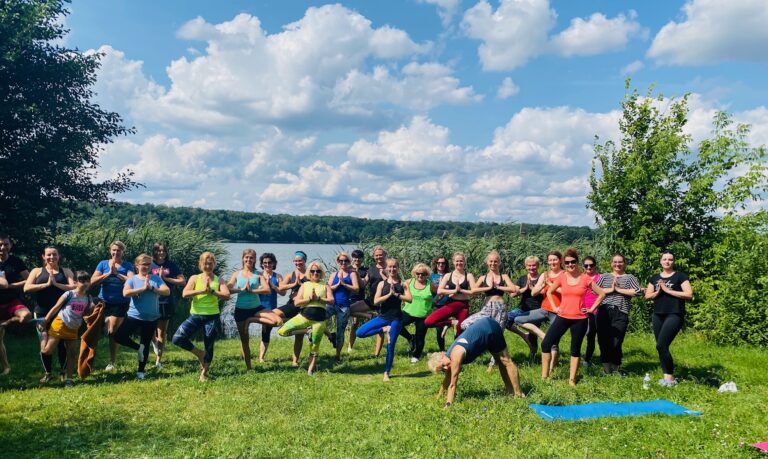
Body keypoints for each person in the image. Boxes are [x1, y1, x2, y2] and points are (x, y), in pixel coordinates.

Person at [540, 248, 606, 386]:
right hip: (562, 316)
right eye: (567, 262)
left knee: (575, 349)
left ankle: (572, 380)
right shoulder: (562, 277)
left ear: (577, 262)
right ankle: (544, 377)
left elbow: (601, 294)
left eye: (573, 262)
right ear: (564, 263)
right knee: (546, 343)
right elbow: (550, 292)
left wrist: (591, 309)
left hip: (580, 319)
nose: (570, 265)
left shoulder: (585, 278)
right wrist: (555, 307)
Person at [427, 317, 524, 407]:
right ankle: (509, 391)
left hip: (490, 328)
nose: (445, 368)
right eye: (442, 370)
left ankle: (519, 394)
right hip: (484, 330)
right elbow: (446, 381)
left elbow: (452, 384)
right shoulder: (448, 359)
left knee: (506, 360)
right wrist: (438, 397)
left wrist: (448, 404)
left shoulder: (455, 356)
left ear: (443, 355)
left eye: (443, 365)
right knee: (499, 361)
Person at [174, 252, 230, 382]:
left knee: (209, 344)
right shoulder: (195, 278)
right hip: (196, 315)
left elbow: (227, 295)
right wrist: (201, 291)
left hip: (212, 316)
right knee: (177, 338)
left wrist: (212, 291)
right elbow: (185, 293)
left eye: (210, 263)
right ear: (201, 264)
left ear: (214, 264)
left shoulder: (218, 280)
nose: (208, 266)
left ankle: (204, 373)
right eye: (205, 263)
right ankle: (200, 353)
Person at [355, 258, 412, 381]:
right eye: (390, 267)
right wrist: (388, 295)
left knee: (390, 346)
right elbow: (376, 301)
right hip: (383, 317)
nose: (392, 269)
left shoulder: (403, 284)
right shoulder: (382, 284)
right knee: (359, 333)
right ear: (387, 268)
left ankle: (386, 372)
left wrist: (396, 294)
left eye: (394, 267)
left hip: (396, 319)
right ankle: (384, 329)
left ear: (398, 268)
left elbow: (409, 299)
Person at [24, 245, 75, 379]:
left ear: (59, 256)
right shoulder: (36, 271)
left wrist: (56, 284)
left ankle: (63, 372)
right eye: (48, 255)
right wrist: (46, 284)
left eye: (54, 254)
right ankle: (48, 373)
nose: (51, 257)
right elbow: (26, 288)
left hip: (63, 312)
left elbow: (74, 286)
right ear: (43, 256)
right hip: (41, 312)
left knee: (62, 343)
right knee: (45, 343)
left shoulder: (66, 271)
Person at [116, 254, 170, 379]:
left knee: (145, 342)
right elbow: (125, 293)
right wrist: (142, 289)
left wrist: (151, 288)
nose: (146, 266)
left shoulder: (156, 279)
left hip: (151, 318)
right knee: (119, 336)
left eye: (148, 264)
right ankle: (137, 347)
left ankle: (141, 371)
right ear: (137, 265)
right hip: (134, 316)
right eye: (143, 264)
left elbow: (167, 291)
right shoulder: (132, 279)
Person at [36, 271, 93, 386]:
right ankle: (44, 335)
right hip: (60, 324)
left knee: (71, 353)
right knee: (46, 351)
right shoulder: (69, 294)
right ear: (76, 282)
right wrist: (45, 321)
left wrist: (92, 310)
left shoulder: (88, 298)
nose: (85, 283)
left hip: (74, 327)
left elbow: (85, 313)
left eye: (87, 280)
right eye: (82, 281)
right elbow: (56, 307)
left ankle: (69, 379)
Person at [645, 251, 692, 387]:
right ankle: (666, 378)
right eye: (664, 259)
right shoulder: (654, 278)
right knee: (660, 347)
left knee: (661, 345)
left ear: (673, 261)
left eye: (670, 259)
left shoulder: (680, 276)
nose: (667, 261)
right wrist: (658, 291)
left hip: (674, 314)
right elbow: (647, 296)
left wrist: (668, 290)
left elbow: (689, 294)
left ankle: (670, 379)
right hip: (658, 315)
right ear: (660, 261)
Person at [277, 261, 333, 375]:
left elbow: (331, 300)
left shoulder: (325, 286)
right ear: (309, 273)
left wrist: (318, 299)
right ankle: (307, 331)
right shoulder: (304, 285)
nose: (315, 273)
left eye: (318, 271)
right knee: (282, 331)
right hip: (304, 316)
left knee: (314, 347)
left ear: (321, 272)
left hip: (319, 320)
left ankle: (310, 371)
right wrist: (308, 299)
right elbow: (297, 302)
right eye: (313, 271)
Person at [90, 240, 135, 371]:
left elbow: (133, 281)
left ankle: (112, 361)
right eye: (114, 250)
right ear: (110, 251)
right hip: (102, 301)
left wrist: (117, 274)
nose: (116, 252)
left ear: (123, 252)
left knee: (112, 331)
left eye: (119, 250)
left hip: (120, 303)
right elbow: (92, 281)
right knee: (95, 331)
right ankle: (90, 361)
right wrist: (108, 274)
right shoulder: (103, 264)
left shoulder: (127, 265)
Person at [596, 254, 642, 375]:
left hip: (621, 311)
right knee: (603, 340)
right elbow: (594, 290)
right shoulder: (604, 276)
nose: (617, 264)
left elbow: (637, 291)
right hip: (604, 311)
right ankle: (606, 370)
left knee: (616, 341)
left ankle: (616, 369)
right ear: (611, 263)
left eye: (620, 262)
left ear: (624, 263)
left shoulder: (630, 277)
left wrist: (619, 290)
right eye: (615, 262)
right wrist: (611, 290)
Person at [226, 249, 270, 370]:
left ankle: (251, 319)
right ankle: (249, 367)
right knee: (245, 340)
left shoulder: (259, 274)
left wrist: (252, 290)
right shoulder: (236, 274)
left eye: (251, 258)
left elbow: (267, 290)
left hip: (256, 308)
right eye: (247, 257)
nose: (249, 260)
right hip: (241, 309)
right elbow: (228, 289)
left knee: (276, 321)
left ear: (255, 259)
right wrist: (241, 290)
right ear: (243, 258)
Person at [150, 242, 185, 369]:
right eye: (158, 251)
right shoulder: (150, 264)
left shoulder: (171, 265)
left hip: (166, 301)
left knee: (162, 332)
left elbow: (182, 281)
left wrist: (166, 279)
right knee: (149, 330)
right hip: (151, 301)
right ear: (154, 252)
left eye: (163, 251)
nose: (161, 253)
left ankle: (158, 360)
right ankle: (153, 341)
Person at [0, 235, 32, 375]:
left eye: (6, 244)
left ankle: (6, 322)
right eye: (0, 244)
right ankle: (6, 367)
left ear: (10, 246)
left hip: (12, 301)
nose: (2, 248)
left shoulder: (16, 261)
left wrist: (10, 286)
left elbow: (29, 280)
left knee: (27, 316)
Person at [463, 250, 517, 330]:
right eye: (491, 261)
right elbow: (473, 290)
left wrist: (498, 287)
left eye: (495, 261)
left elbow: (513, 289)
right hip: (487, 306)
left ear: (499, 263)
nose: (493, 263)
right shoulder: (483, 278)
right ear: (487, 262)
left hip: (500, 307)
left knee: (497, 332)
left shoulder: (504, 276)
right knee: (466, 324)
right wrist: (488, 287)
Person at [426, 252, 476, 337]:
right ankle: (452, 322)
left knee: (460, 332)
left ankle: (455, 349)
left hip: (463, 306)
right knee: (429, 321)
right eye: (457, 261)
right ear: (453, 262)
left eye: (461, 261)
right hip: (451, 304)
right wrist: (454, 291)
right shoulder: (448, 275)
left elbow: (474, 292)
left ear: (464, 262)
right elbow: (439, 290)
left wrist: (461, 290)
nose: (459, 263)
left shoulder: (469, 275)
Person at [505, 256, 546, 362]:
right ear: (526, 266)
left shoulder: (542, 277)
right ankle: (523, 335)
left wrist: (533, 289)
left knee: (533, 336)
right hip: (523, 308)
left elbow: (546, 292)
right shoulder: (522, 279)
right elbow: (512, 294)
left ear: (538, 266)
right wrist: (525, 289)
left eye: (534, 265)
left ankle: (532, 357)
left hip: (537, 310)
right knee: (506, 320)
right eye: (529, 265)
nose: (531, 267)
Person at [349, 246, 387, 356]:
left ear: (384, 255)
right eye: (376, 255)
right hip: (371, 299)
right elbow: (363, 284)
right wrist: (355, 273)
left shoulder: (389, 267)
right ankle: (369, 316)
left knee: (380, 328)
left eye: (381, 254)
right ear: (373, 257)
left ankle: (376, 354)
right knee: (349, 310)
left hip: (384, 301)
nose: (379, 257)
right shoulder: (371, 269)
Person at [326, 251, 359, 362]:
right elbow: (328, 288)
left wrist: (344, 284)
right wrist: (338, 284)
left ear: (349, 262)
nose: (343, 263)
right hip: (331, 304)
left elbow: (356, 288)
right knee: (319, 319)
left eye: (346, 261)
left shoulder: (352, 273)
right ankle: (331, 336)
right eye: (341, 261)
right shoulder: (333, 274)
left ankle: (338, 355)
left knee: (340, 331)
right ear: (338, 262)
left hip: (344, 307)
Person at [399, 263, 432, 363]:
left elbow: (440, 294)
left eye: (423, 274)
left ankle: (416, 356)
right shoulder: (409, 282)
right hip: (408, 312)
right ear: (414, 273)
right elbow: (395, 287)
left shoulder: (431, 285)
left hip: (423, 315)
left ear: (426, 274)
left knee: (420, 337)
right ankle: (410, 337)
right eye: (418, 273)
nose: (420, 276)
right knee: (396, 324)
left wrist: (435, 303)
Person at [254, 252, 283, 362]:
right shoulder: (258, 276)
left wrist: (273, 286)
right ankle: (259, 356)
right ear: (261, 264)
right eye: (264, 262)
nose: (267, 264)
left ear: (274, 263)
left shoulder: (278, 276)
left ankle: (261, 357)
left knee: (266, 331)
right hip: (258, 307)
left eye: (269, 262)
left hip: (271, 308)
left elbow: (283, 293)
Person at [346, 249, 368, 353]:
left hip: (359, 298)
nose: (357, 259)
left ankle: (350, 346)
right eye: (354, 257)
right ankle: (368, 315)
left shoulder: (365, 270)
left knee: (355, 323)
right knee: (344, 319)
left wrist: (356, 273)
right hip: (347, 297)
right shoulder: (347, 268)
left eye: (359, 257)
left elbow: (364, 283)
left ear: (362, 259)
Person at [581, 256, 600, 367]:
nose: (589, 267)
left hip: (597, 311)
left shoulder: (600, 278)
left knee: (593, 336)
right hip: (582, 310)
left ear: (595, 265)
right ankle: (580, 358)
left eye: (591, 265)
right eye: (586, 265)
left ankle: (588, 359)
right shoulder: (581, 278)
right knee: (584, 335)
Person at [429, 255, 449, 351]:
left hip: (448, 304)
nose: (441, 265)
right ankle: (442, 350)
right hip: (436, 305)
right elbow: (431, 290)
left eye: (443, 263)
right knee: (439, 328)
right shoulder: (432, 276)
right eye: (439, 263)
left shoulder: (449, 275)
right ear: (436, 264)